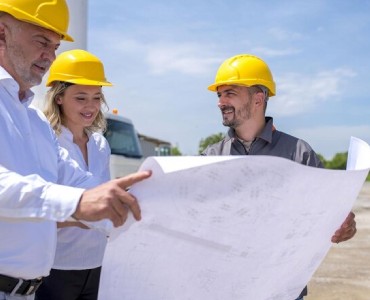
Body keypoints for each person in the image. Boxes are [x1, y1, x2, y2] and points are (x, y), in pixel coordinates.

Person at [0, 1, 150, 299]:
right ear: (2, 33)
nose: (50, 56)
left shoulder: (34, 121)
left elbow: (77, 182)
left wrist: (146, 210)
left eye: (55, 46)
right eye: (42, 41)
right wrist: (77, 202)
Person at [202, 54, 357, 300]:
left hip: (284, 290)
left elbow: (330, 215)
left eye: (229, 93)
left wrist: (344, 225)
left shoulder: (299, 153)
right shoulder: (211, 157)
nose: (220, 102)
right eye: (218, 95)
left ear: (258, 98)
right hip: (226, 288)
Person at [34, 49, 113, 300]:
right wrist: (87, 214)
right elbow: (38, 209)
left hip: (99, 264)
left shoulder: (101, 145)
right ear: (59, 97)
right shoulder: (46, 140)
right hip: (57, 269)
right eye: (80, 98)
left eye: (96, 97)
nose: (90, 106)